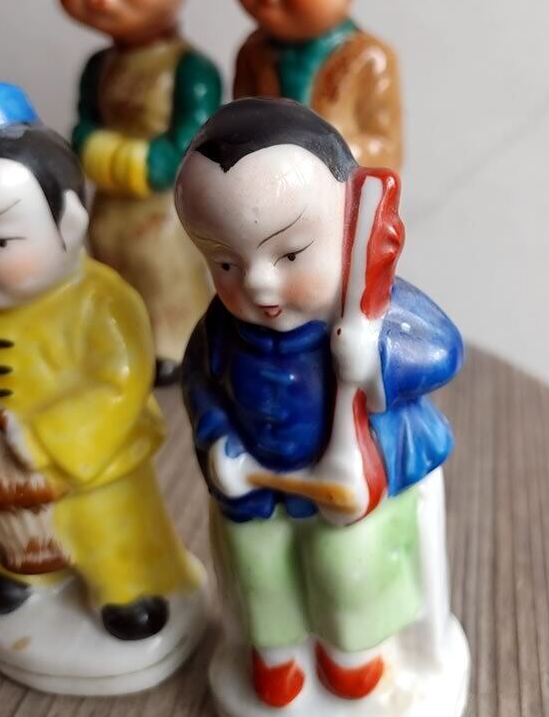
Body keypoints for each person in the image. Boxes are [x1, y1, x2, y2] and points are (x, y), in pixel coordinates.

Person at [178, 98, 462, 709]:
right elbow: (199, 381)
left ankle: (352, 652)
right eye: (224, 261)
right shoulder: (221, 330)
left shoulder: (374, 313)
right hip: (261, 486)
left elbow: (444, 349)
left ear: (347, 226)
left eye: (289, 254)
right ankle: (277, 654)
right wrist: (216, 439)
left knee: (349, 564)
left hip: (355, 481)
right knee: (256, 563)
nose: (257, 282)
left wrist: (376, 354)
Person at [0, 83, 201, 649]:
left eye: (2, 240)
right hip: (8, 477)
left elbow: (118, 382)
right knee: (17, 534)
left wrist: (42, 435)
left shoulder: (103, 302)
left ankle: (128, 589)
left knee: (108, 527)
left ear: (68, 224)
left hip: (91, 461)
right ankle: (25, 576)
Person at [56, 0, 223, 385]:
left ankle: (176, 344)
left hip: (165, 215)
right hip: (108, 209)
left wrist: (121, 158)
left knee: (164, 276)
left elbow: (187, 148)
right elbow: (82, 130)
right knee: (108, 274)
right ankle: (116, 344)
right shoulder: (98, 67)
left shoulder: (191, 70)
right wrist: (104, 151)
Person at [232, 0, 403, 170]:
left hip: (337, 189)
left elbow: (386, 148)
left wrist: (326, 154)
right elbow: (238, 128)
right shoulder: (252, 53)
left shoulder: (371, 58)